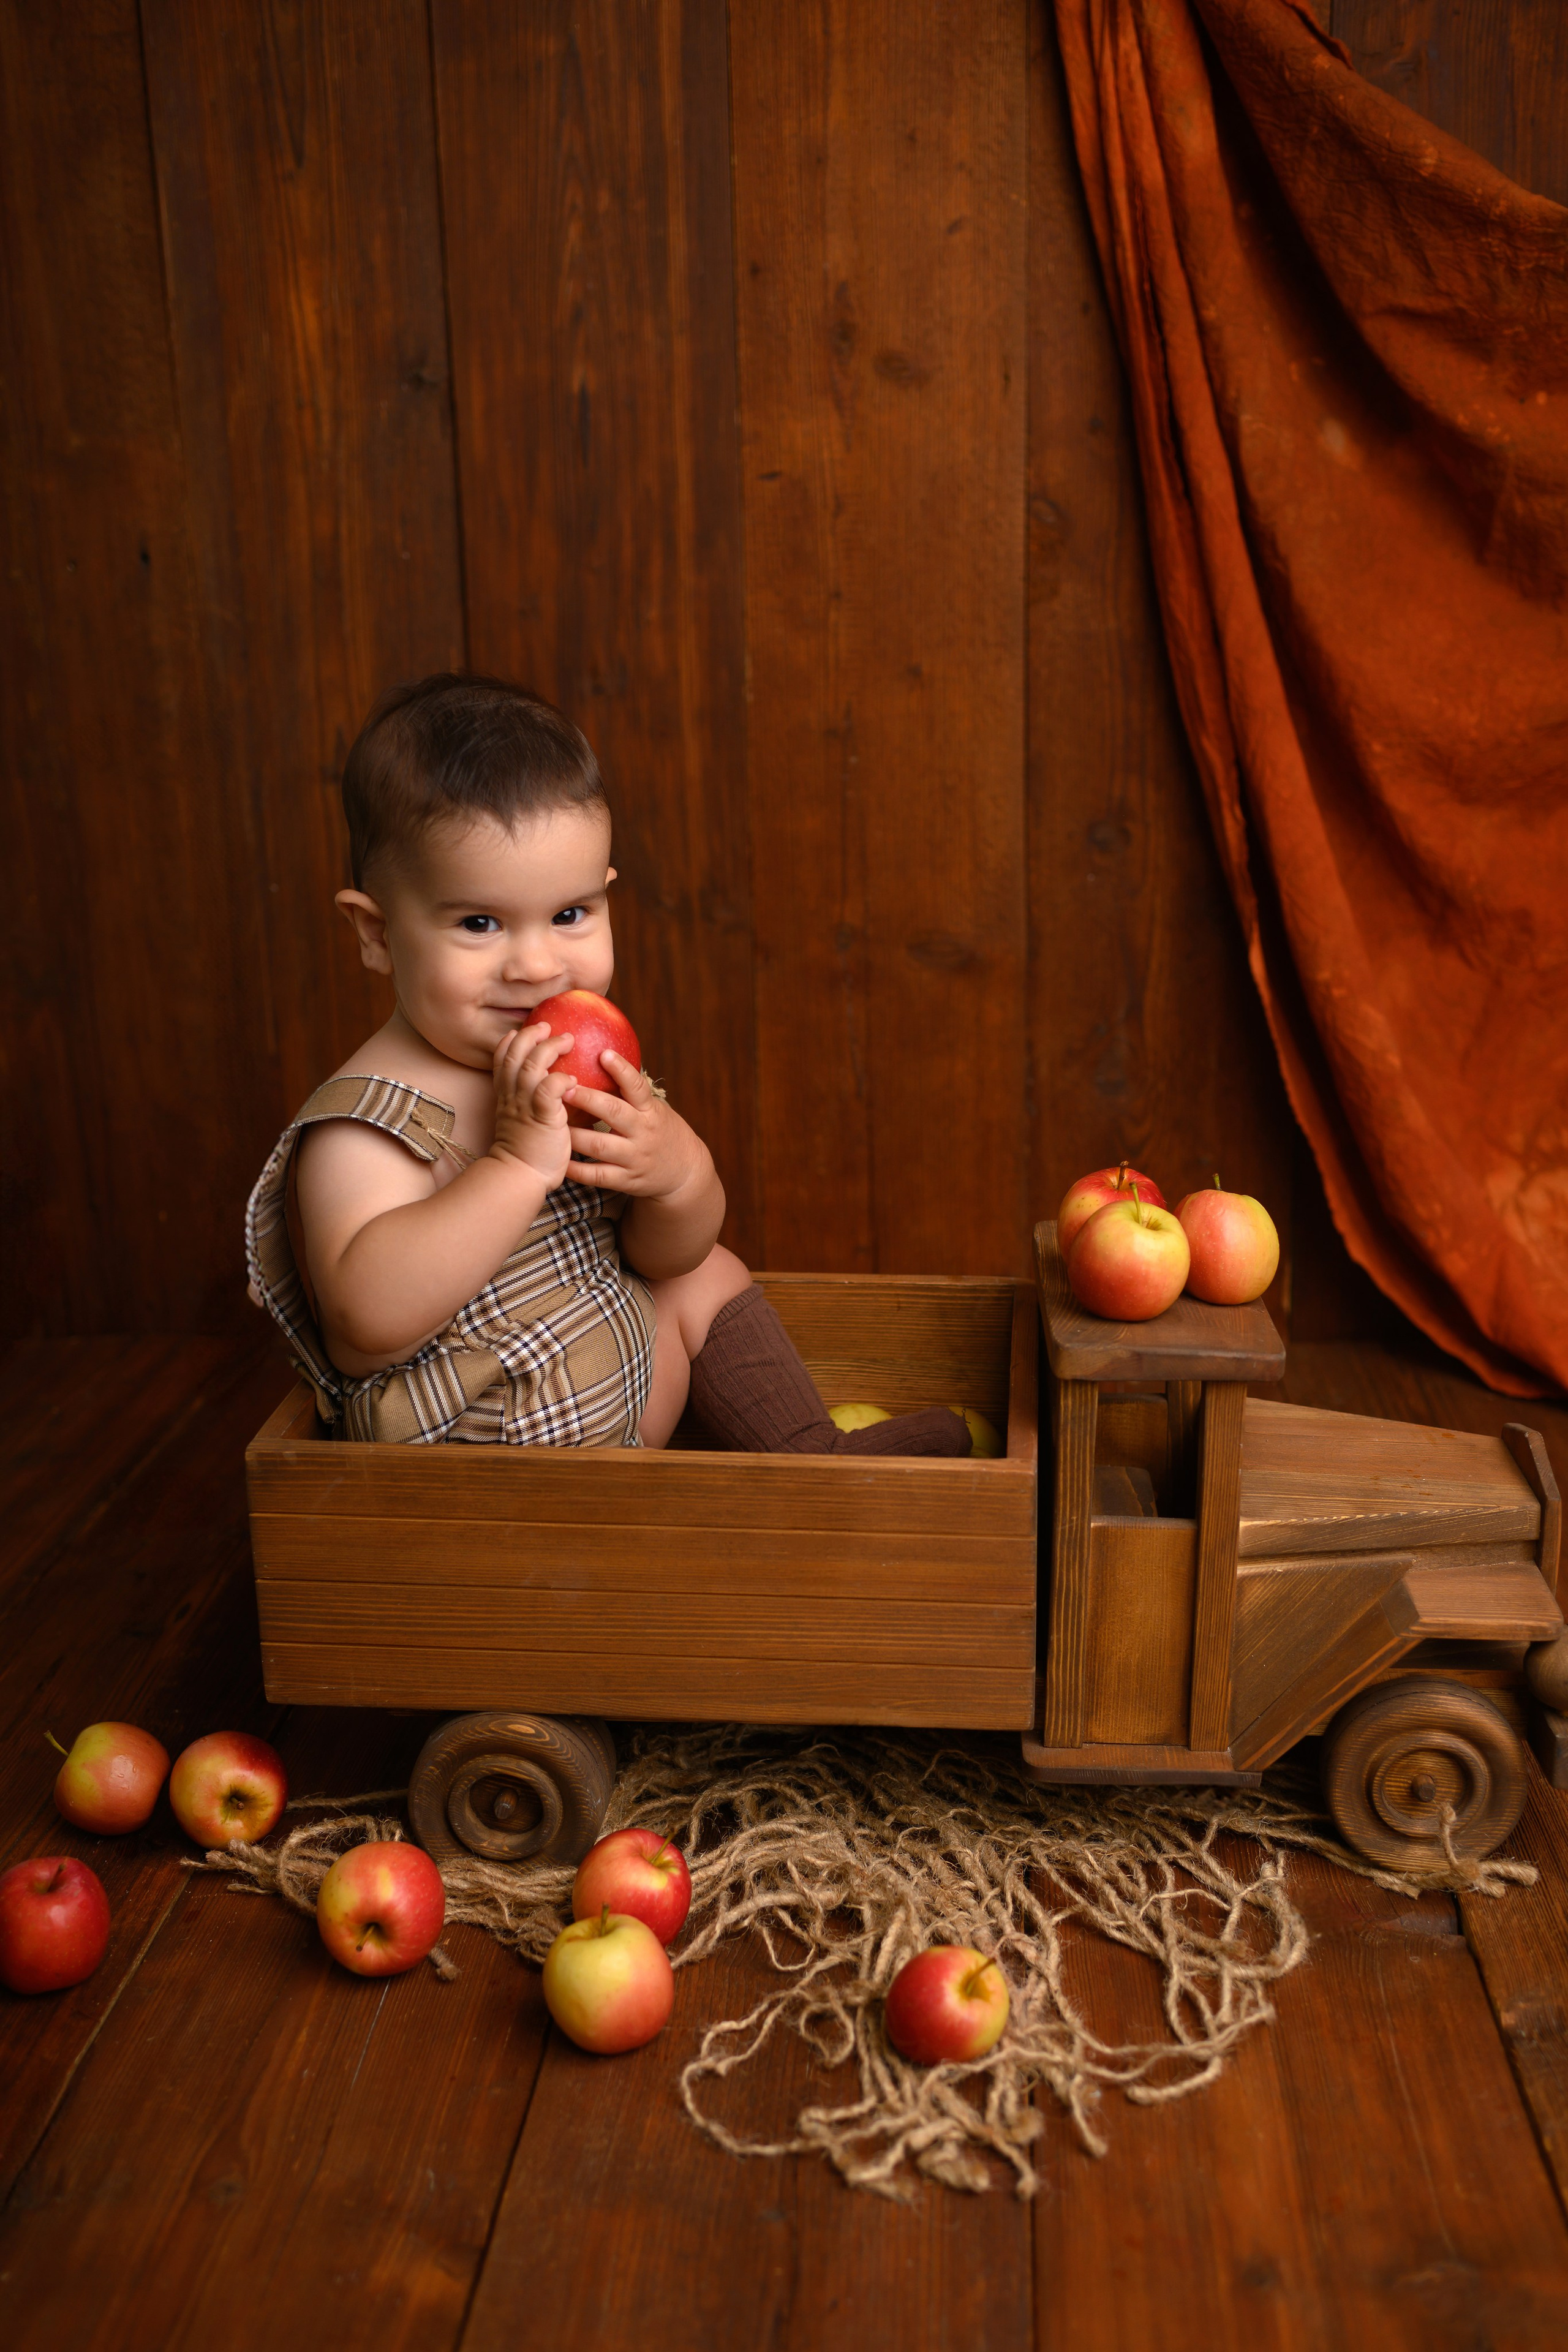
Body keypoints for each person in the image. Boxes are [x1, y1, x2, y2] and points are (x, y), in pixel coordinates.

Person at [246, 673, 970, 1457]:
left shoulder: (572, 1065)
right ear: (377, 934)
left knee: (704, 1274)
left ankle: (811, 1460)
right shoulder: (365, 1125)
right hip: (488, 1468)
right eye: (480, 923)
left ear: (605, 895)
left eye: (569, 914)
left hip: (606, 1397)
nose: (536, 964)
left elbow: (662, 1256)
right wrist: (517, 1166)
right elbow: (365, 1325)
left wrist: (677, 1178)